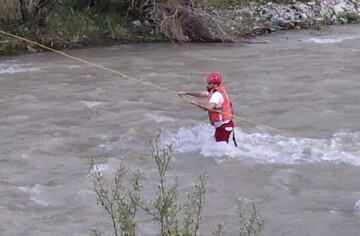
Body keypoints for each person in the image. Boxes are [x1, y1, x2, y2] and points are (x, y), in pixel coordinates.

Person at [178, 71, 236, 145]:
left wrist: (196, 103)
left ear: (215, 84)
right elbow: (201, 94)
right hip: (223, 125)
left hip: (223, 126)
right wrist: (186, 93)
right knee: (215, 144)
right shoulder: (216, 91)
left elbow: (209, 108)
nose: (207, 85)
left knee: (219, 150)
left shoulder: (217, 95)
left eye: (209, 84)